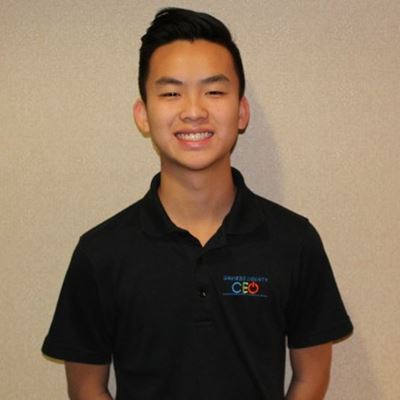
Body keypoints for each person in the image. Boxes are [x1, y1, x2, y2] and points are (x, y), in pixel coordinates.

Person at [42, 7, 353, 400]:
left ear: (241, 112)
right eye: (171, 93)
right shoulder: (100, 253)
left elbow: (311, 377)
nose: (193, 111)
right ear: (143, 114)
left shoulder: (295, 241)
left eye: (214, 91)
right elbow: (86, 388)